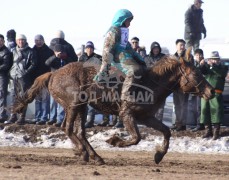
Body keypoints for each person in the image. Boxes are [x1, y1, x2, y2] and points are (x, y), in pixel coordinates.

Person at [95, 9, 146, 130]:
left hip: (125, 54)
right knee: (134, 70)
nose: (130, 23)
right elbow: (107, 49)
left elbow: (128, 47)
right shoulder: (113, 31)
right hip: (117, 57)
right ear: (122, 20)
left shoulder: (124, 31)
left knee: (143, 68)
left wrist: (139, 57)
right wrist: (104, 67)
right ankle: (126, 95)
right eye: (129, 20)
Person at [5, 34, 37, 125]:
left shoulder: (31, 51)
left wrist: (25, 72)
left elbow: (34, 64)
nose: (21, 41)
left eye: (22, 40)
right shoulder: (13, 50)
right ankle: (13, 115)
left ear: (25, 41)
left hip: (24, 77)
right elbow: (10, 63)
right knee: (13, 96)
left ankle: (22, 116)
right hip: (13, 76)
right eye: (19, 40)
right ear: (16, 41)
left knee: (23, 97)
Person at [45, 44, 76, 127]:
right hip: (54, 84)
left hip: (64, 85)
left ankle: (60, 119)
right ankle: (52, 118)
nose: (60, 54)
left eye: (61, 52)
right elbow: (47, 63)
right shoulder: (53, 59)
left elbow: (72, 66)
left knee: (61, 102)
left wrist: (64, 57)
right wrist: (55, 56)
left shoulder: (67, 59)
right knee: (52, 102)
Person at [200, 51, 228, 140]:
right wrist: (201, 65)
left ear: (219, 60)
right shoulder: (207, 67)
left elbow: (221, 74)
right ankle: (208, 131)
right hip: (206, 92)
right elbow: (202, 71)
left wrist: (213, 66)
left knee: (216, 112)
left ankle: (216, 132)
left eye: (216, 59)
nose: (214, 61)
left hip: (216, 92)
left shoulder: (223, 67)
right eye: (212, 59)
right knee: (205, 111)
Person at [30, 34, 54, 125]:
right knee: (37, 99)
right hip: (35, 79)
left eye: (40, 40)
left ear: (43, 40)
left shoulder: (49, 51)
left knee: (45, 99)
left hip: (45, 78)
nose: (38, 42)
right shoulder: (32, 51)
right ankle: (37, 117)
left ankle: (44, 117)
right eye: (36, 40)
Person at [171, 39, 193, 131]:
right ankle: (177, 123)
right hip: (175, 85)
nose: (182, 47)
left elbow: (191, 69)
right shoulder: (173, 56)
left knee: (183, 104)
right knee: (177, 105)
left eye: (183, 45)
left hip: (184, 84)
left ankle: (182, 124)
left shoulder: (188, 56)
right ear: (176, 46)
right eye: (180, 45)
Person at [144, 41, 166, 121]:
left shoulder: (164, 57)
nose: (156, 50)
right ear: (151, 49)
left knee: (160, 103)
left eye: (157, 48)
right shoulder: (146, 58)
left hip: (161, 84)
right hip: (149, 84)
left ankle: (159, 120)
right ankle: (149, 120)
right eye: (154, 48)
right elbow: (144, 69)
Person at [190, 49, 205, 131]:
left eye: (200, 55)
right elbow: (194, 73)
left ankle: (200, 125)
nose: (198, 57)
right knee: (194, 108)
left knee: (200, 108)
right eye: (196, 55)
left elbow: (201, 73)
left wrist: (202, 65)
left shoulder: (204, 64)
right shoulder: (192, 64)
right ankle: (197, 123)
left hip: (202, 90)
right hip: (194, 89)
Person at [0, 34, 13, 123]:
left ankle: (2, 114)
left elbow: (6, 65)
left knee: (2, 94)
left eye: (1, 41)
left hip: (2, 76)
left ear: (4, 41)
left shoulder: (6, 51)